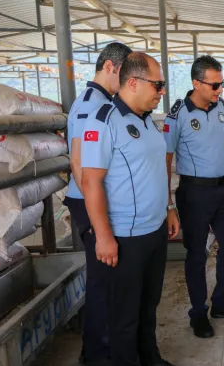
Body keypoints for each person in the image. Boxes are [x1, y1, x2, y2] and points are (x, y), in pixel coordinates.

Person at [81, 52, 179, 366]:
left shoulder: (148, 121)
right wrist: (103, 237)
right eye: (158, 85)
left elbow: (157, 171)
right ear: (133, 82)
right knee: (123, 316)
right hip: (125, 237)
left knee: (148, 305)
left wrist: (169, 207)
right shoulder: (103, 121)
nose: (161, 91)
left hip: (155, 231)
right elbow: (91, 182)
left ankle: (150, 357)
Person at [163, 55, 224, 339]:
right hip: (195, 193)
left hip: (223, 189)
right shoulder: (178, 115)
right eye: (214, 85)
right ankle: (198, 312)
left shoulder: (221, 107)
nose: (219, 90)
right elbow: (165, 160)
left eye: (221, 83)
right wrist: (169, 205)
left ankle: (222, 302)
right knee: (197, 253)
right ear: (196, 83)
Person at [62, 42, 132, 366]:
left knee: (107, 281)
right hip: (89, 203)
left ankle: (100, 350)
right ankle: (96, 356)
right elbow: (80, 167)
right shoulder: (92, 105)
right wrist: (97, 224)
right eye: (126, 74)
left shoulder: (101, 101)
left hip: (94, 201)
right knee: (102, 282)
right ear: (111, 68)